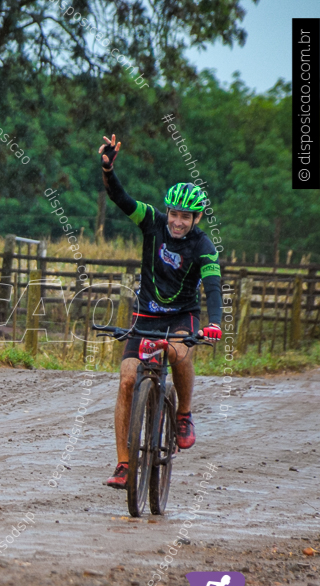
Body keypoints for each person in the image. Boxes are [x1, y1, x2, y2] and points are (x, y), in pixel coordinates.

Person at [98, 135, 222, 489]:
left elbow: (212, 287)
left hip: (183, 316)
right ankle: (124, 464)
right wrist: (108, 170)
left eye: (185, 216)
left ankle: (183, 414)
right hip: (146, 317)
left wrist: (213, 323)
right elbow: (121, 199)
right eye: (174, 214)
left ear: (196, 217)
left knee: (179, 352)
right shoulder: (151, 221)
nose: (177, 222)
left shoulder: (203, 246)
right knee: (126, 380)